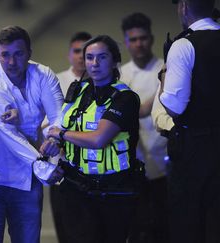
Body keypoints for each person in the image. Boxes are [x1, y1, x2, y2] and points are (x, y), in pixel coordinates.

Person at [48, 35, 141, 243]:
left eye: (102, 57)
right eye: (89, 57)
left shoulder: (125, 98)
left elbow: (99, 139)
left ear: (115, 60)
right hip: (76, 188)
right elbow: (65, 126)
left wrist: (60, 135)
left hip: (114, 192)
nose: (94, 64)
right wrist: (54, 142)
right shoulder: (78, 91)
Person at [0, 25, 63, 243]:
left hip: (28, 180)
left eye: (18, 54)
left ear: (29, 53)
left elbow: (60, 117)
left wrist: (54, 137)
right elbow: (8, 135)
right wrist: (41, 164)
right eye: (5, 55)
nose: (11, 63)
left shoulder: (44, 76)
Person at [159, 0, 220, 242]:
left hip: (195, 147)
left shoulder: (184, 44)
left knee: (188, 222)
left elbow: (174, 106)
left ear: (183, 7)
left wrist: (164, 76)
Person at [120, 12, 169, 243]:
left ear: (151, 38)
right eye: (133, 39)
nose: (139, 44)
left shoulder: (167, 69)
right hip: (132, 165)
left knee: (163, 226)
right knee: (136, 229)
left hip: (165, 164)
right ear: (126, 42)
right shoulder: (120, 74)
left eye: (143, 38)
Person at [51, 31, 92, 243]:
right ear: (69, 54)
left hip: (94, 174)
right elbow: (46, 124)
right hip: (62, 172)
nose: (81, 56)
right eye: (77, 51)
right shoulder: (56, 81)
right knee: (67, 234)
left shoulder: (103, 85)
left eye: (86, 52)